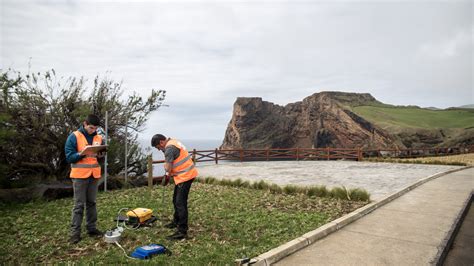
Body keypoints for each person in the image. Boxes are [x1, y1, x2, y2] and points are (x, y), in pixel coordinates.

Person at [65, 114, 105, 244]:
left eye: (95, 128)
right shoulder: (74, 136)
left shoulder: (99, 137)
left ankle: (91, 229)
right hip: (79, 176)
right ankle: (75, 233)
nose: (93, 130)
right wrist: (82, 154)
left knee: (92, 203)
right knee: (79, 205)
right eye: (91, 128)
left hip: (94, 175)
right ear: (85, 124)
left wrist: (101, 154)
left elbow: (101, 157)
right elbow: (69, 157)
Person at [151, 134, 198, 240]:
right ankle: (176, 221)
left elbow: (168, 167)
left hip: (185, 176)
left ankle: (182, 231)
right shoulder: (174, 142)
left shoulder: (169, 149)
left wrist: (165, 168)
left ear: (162, 142)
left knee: (180, 203)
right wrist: (168, 176)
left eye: (158, 147)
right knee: (175, 200)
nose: (159, 150)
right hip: (185, 175)